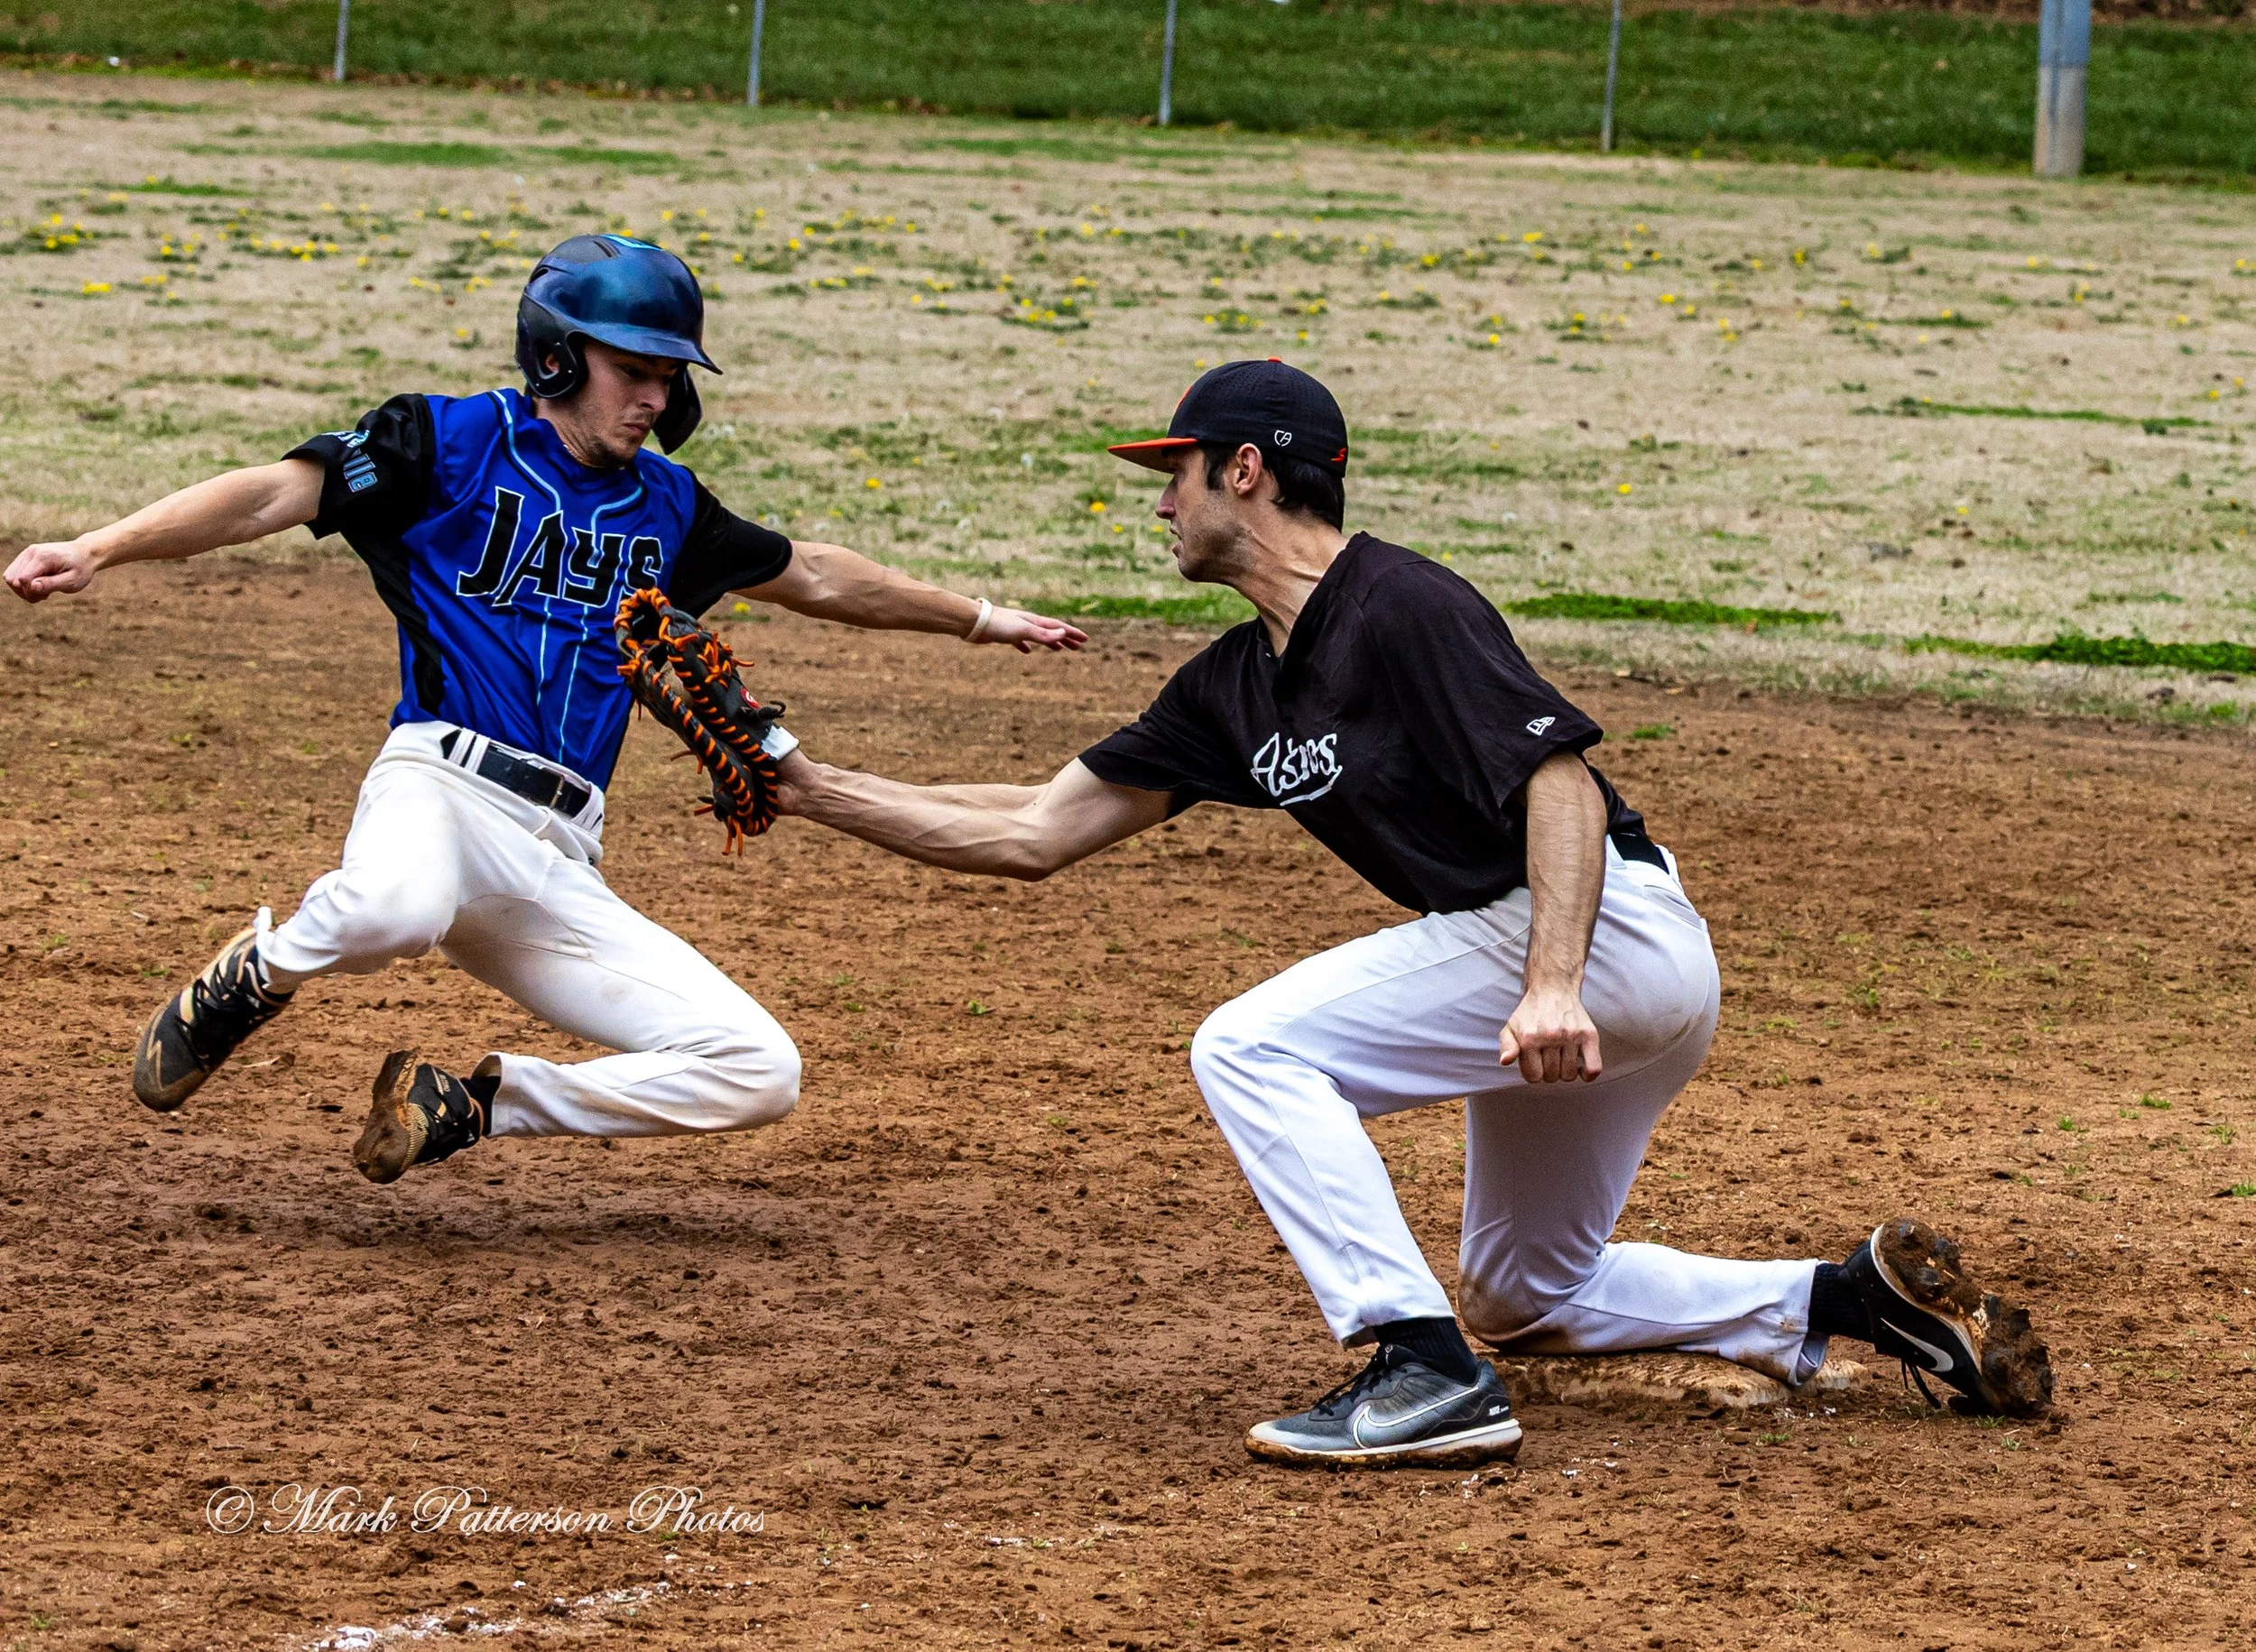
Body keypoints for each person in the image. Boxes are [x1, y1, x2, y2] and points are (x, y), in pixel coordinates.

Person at [767, 359, 2053, 1466]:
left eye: (1178, 472)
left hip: (1598, 935)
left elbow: (1560, 781)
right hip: (1569, 965)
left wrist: (1552, 983)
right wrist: (807, 785)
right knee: (1525, 1292)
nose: (1159, 501)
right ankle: (1849, 1302)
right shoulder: (1230, 687)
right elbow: (1032, 829)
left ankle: (1418, 1364)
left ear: (1248, 473)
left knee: (1250, 1047)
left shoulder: (1398, 602)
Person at [5, 234, 1086, 1186]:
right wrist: (99, 546)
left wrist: (982, 618)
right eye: (633, 370)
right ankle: (259, 973)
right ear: (559, 356)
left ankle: (479, 1103)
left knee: (760, 1068)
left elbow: (814, 574)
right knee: (392, 912)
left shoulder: (669, 505)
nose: (654, 398)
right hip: (437, 785)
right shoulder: (447, 442)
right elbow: (275, 492)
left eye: (668, 375)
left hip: (559, 855)